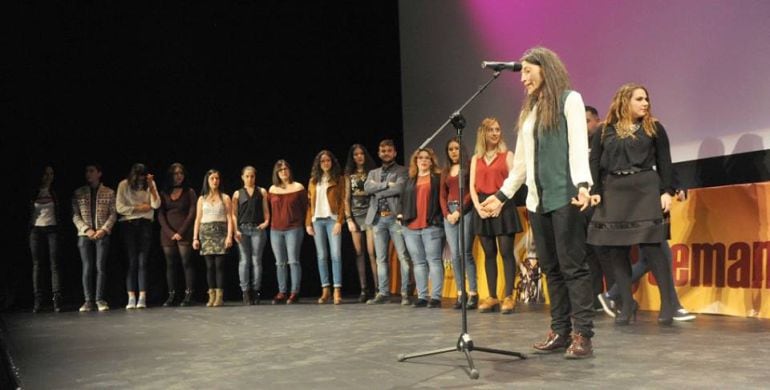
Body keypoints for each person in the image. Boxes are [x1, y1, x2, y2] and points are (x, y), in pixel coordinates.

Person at [481, 46, 595, 359]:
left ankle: (582, 334)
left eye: (528, 71)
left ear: (546, 68)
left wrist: (583, 184)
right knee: (551, 268)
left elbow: (577, 146)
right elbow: (522, 163)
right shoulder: (530, 111)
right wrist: (502, 196)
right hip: (537, 201)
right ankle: (559, 330)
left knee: (573, 267)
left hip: (565, 196)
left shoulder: (569, 99)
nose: (523, 79)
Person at [587, 83, 677, 327]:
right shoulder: (604, 131)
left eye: (646, 98)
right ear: (624, 101)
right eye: (639, 99)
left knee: (653, 247)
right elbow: (594, 162)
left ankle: (668, 304)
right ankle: (626, 304)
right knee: (617, 250)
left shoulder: (654, 128)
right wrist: (595, 191)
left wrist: (666, 191)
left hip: (645, 188)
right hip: (614, 190)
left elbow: (665, 162)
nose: (645, 103)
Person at [470, 118, 522, 314]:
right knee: (489, 254)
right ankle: (492, 296)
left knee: (506, 252)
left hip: (503, 204)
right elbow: (472, 187)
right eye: (491, 130)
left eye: (498, 129)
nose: (495, 133)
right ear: (483, 133)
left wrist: (500, 202)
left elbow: (516, 183)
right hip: (483, 206)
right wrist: (478, 207)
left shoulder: (507, 155)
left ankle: (508, 296)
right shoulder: (476, 158)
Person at [365, 139, 413, 305]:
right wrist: (386, 184)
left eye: (389, 150)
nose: (386, 153)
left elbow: (399, 188)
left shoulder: (402, 171)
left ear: (394, 153)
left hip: (394, 217)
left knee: (403, 256)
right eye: (383, 150)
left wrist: (377, 189)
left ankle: (406, 292)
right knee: (381, 258)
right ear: (379, 153)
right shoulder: (373, 173)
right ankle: (383, 293)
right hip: (378, 218)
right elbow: (367, 188)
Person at [400, 148, 445, 308]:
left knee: (433, 261)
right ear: (416, 161)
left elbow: (443, 201)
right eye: (420, 158)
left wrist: (439, 219)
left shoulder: (437, 179)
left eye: (427, 158)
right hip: (411, 226)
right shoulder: (410, 180)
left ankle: (436, 297)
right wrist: (401, 216)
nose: (424, 161)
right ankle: (423, 296)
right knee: (418, 262)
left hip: (431, 225)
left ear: (432, 161)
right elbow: (402, 201)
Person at [440, 137, 479, 310]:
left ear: (461, 149)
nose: (453, 152)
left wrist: (459, 211)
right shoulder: (446, 170)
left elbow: (473, 190)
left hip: (466, 211)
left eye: (456, 148)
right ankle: (460, 293)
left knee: (465, 253)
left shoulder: (469, 166)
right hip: (449, 213)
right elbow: (442, 195)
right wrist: (447, 214)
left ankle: (473, 293)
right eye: (450, 149)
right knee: (454, 255)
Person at [72, 163, 117, 312]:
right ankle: (88, 300)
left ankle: (99, 299)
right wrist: (86, 229)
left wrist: (103, 229)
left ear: (99, 173)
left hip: (102, 234)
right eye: (87, 171)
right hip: (85, 234)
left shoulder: (109, 192)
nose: (88, 174)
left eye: (91, 171)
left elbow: (113, 213)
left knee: (100, 267)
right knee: (87, 267)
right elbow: (75, 215)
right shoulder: (79, 193)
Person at [583, 106, 615, 311]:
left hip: (604, 202)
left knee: (607, 253)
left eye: (587, 121)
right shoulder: (576, 145)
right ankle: (595, 300)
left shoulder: (607, 142)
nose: (584, 126)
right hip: (583, 204)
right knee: (589, 254)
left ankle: (613, 297)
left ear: (597, 121)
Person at [116, 163, 160, 309]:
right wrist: (138, 208)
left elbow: (156, 204)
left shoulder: (150, 183)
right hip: (128, 225)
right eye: (139, 177)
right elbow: (119, 207)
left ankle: (142, 296)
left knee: (142, 261)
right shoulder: (123, 185)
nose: (141, 180)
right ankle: (131, 297)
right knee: (132, 260)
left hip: (145, 224)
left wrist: (151, 187)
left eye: (143, 177)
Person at [306, 150, 347, 305]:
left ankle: (337, 289)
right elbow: (309, 204)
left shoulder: (339, 178)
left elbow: (343, 201)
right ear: (318, 163)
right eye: (322, 161)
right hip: (317, 220)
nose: (325, 163)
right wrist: (308, 223)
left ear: (332, 162)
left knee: (336, 255)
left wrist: (339, 221)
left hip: (332, 220)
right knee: (321, 256)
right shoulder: (313, 181)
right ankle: (325, 289)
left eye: (328, 160)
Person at [158, 163, 197, 307]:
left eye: (181, 173)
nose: (178, 176)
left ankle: (189, 294)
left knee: (186, 263)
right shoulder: (163, 193)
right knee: (170, 264)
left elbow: (192, 213)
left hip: (184, 232)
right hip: (167, 233)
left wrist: (180, 232)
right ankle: (172, 295)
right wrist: (170, 232)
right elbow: (160, 214)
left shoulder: (190, 192)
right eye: (175, 173)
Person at [192, 169, 233, 307]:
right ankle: (211, 295)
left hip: (221, 232)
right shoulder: (202, 198)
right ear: (207, 181)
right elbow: (198, 218)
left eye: (217, 178)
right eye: (212, 179)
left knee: (219, 265)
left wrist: (229, 236)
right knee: (209, 266)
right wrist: (195, 238)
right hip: (206, 233)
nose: (215, 181)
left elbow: (229, 218)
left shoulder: (225, 197)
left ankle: (219, 296)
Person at [269, 160, 307, 305]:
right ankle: (282, 291)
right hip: (275, 230)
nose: (283, 172)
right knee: (280, 263)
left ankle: (294, 292)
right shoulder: (272, 189)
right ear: (276, 173)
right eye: (280, 170)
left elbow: (305, 207)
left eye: (286, 169)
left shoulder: (298, 187)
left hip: (294, 228)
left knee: (293, 261)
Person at [343, 144, 378, 302]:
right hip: (355, 216)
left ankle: (378, 288)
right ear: (352, 157)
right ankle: (364, 289)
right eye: (355, 154)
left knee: (372, 253)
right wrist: (348, 219)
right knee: (359, 253)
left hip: (370, 214)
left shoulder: (372, 172)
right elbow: (346, 198)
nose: (359, 157)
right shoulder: (348, 175)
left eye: (361, 153)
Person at [232, 166, 270, 305]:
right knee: (244, 260)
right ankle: (245, 292)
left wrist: (266, 222)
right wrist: (236, 230)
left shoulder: (261, 191)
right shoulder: (237, 193)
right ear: (242, 177)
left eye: (252, 176)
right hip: (242, 229)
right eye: (247, 176)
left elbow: (266, 209)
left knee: (256, 260)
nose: (250, 179)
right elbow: (234, 214)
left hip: (257, 229)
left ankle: (256, 291)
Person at [28, 164, 62, 313]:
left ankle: (56, 300)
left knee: (54, 264)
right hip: (36, 230)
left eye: (52, 174)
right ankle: (38, 300)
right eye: (46, 174)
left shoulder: (54, 192)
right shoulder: (33, 192)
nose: (49, 177)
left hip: (52, 229)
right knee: (37, 264)